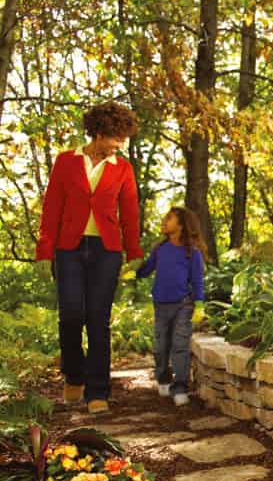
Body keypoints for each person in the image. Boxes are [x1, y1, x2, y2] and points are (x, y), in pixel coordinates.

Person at [35, 102, 143, 415]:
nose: (120, 144)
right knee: (70, 315)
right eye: (116, 138)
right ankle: (74, 375)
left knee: (98, 319)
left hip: (106, 251)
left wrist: (133, 250)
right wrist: (45, 249)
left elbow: (131, 212)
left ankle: (97, 391)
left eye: (123, 138)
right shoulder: (66, 161)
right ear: (99, 133)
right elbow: (52, 207)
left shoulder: (122, 168)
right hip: (68, 247)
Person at [137, 206, 206, 407]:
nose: (165, 220)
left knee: (179, 346)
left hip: (183, 305)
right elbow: (147, 268)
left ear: (182, 225)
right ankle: (163, 379)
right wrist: (133, 270)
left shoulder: (192, 252)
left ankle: (181, 387)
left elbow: (197, 281)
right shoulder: (160, 249)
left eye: (170, 218)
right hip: (161, 305)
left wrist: (200, 304)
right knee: (160, 347)